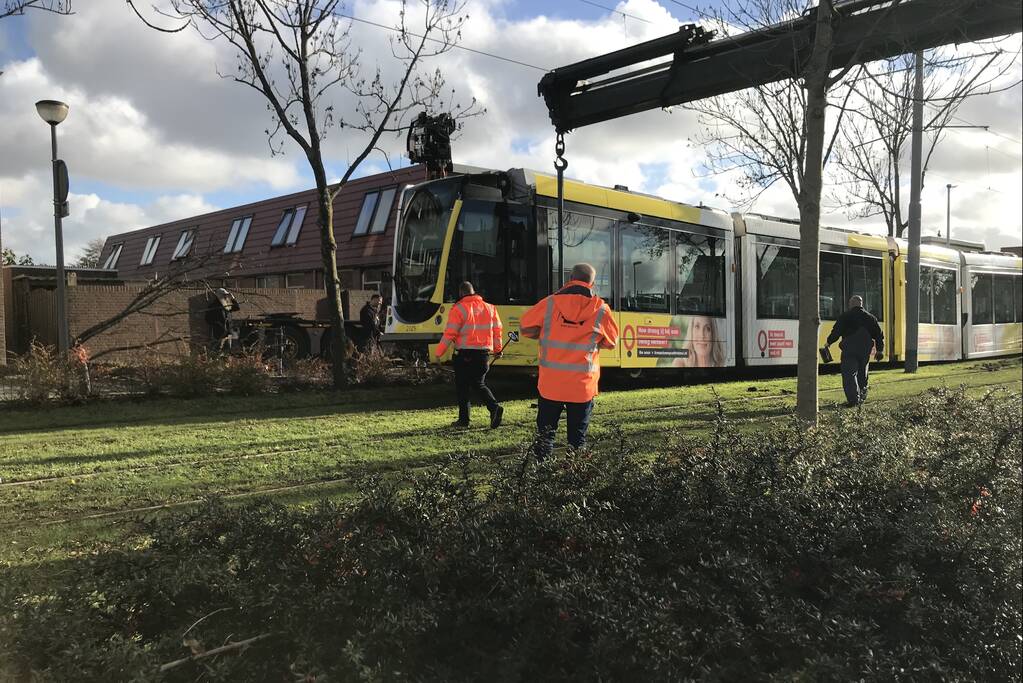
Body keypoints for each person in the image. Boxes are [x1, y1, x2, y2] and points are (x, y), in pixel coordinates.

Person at [520, 263, 620, 459]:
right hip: (582, 387)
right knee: (577, 440)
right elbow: (612, 343)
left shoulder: (549, 303)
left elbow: (525, 328)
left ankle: (542, 476)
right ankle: (572, 479)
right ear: (592, 282)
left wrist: (545, 334)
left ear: (570, 278)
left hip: (551, 384)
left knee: (545, 436)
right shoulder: (601, 309)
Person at [435, 282, 504, 428]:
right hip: (483, 354)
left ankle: (468, 418)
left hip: (465, 354)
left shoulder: (458, 308)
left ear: (461, 293)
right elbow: (497, 331)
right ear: (474, 291)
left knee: (463, 387)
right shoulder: (490, 308)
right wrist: (498, 350)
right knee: (479, 383)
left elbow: (450, 333)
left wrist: (438, 353)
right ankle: (492, 409)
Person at [825, 295, 885, 407]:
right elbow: (879, 335)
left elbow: (836, 332)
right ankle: (862, 397)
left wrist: (829, 342)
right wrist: (880, 350)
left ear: (851, 304)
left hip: (849, 350)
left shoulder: (845, 316)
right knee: (863, 374)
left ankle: (853, 400)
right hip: (864, 350)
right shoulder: (871, 318)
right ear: (861, 304)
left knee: (849, 374)